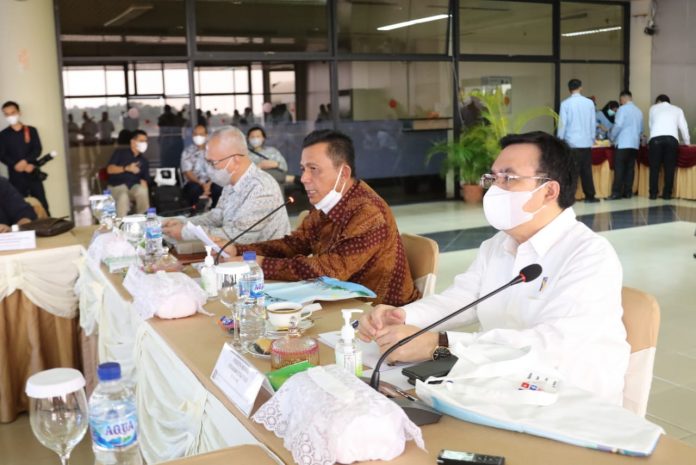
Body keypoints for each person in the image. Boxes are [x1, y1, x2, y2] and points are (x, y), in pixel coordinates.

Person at [358, 131, 629, 405]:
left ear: (549, 191)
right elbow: (462, 299)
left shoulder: (589, 255)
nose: (495, 189)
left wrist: (439, 344)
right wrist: (402, 316)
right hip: (500, 387)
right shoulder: (498, 244)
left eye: (508, 178)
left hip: (569, 402)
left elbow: (548, 346)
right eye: (493, 178)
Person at [220, 129, 420, 307]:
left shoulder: (368, 213)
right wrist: (240, 251)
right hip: (341, 303)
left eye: (313, 169)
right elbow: (295, 244)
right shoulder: (327, 202)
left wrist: (263, 264)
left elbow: (330, 271)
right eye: (303, 169)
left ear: (344, 173)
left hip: (383, 313)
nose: (304, 178)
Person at [162, 126, 290, 243]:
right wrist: (183, 222)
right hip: (238, 255)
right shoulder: (230, 184)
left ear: (235, 159)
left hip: (265, 258)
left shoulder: (261, 187)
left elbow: (240, 236)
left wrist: (186, 232)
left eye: (213, 162)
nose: (209, 168)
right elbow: (216, 217)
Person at [0, 101, 50, 214]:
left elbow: (37, 149)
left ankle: (47, 224)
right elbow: (2, 155)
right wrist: (15, 165)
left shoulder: (31, 130)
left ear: (19, 112)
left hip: (32, 171)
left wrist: (26, 162)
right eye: (7, 114)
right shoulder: (3, 135)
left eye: (13, 113)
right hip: (15, 175)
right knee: (19, 207)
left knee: (42, 204)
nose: (10, 116)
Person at [557, 79, 599, 203]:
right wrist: (592, 138)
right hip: (586, 143)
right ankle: (590, 196)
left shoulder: (565, 104)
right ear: (581, 87)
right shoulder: (589, 103)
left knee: (571, 171)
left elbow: (562, 124)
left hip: (571, 143)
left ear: (569, 89)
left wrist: (560, 141)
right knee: (586, 170)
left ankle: (569, 196)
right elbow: (592, 122)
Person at [648, 94, 690, 200]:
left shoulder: (653, 108)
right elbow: (684, 127)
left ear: (659, 101)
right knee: (669, 168)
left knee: (654, 168)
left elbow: (651, 125)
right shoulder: (677, 109)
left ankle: (653, 194)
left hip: (655, 139)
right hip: (671, 139)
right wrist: (687, 143)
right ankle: (667, 194)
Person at [106, 130, 151, 217]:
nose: (144, 144)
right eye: (141, 141)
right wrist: (126, 168)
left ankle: (143, 217)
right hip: (116, 186)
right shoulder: (120, 153)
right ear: (133, 142)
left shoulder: (144, 161)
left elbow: (146, 178)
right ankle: (121, 221)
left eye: (146, 141)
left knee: (142, 191)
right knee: (123, 196)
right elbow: (109, 169)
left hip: (133, 186)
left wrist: (144, 181)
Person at [608, 91, 643, 200]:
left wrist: (611, 137)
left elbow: (618, 125)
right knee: (630, 169)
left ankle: (616, 193)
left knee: (619, 168)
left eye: (620, 100)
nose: (620, 102)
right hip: (634, 144)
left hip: (623, 143)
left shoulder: (622, 109)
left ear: (623, 98)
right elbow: (641, 130)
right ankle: (628, 192)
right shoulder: (639, 111)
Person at [180, 124, 223, 207]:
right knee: (193, 189)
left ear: (206, 135)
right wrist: (201, 184)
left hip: (212, 181)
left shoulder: (213, 150)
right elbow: (187, 172)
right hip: (195, 182)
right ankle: (195, 211)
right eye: (196, 134)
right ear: (192, 135)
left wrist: (209, 184)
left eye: (201, 134)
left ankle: (215, 210)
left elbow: (218, 169)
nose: (198, 136)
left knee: (219, 188)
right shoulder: (187, 152)